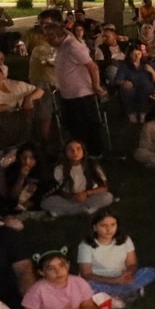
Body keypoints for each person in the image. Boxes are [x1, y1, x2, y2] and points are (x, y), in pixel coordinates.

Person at [22, 247, 115, 309]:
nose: (58, 272)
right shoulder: (36, 290)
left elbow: (89, 306)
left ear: (68, 265)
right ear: (41, 272)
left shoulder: (78, 282)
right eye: (51, 269)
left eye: (61, 266)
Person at [49, 21, 107, 156]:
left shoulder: (73, 46)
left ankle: (94, 153)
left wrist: (96, 86)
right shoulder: (63, 45)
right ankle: (79, 152)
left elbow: (92, 66)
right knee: (74, 126)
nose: (49, 42)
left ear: (57, 36)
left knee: (88, 125)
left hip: (81, 93)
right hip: (68, 94)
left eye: (50, 38)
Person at [76, 208, 155, 305]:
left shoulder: (125, 240)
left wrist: (129, 273)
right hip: (100, 279)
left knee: (150, 271)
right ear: (95, 227)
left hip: (121, 276)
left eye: (113, 225)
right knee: (87, 284)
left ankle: (114, 296)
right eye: (103, 225)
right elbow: (86, 274)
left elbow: (132, 263)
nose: (109, 229)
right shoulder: (85, 245)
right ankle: (128, 292)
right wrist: (115, 281)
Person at [42, 139, 114, 217]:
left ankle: (64, 212)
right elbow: (60, 190)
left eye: (78, 148)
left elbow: (104, 188)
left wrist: (86, 194)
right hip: (70, 199)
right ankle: (86, 210)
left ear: (83, 151)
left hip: (89, 197)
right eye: (70, 149)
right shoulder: (60, 169)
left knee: (107, 197)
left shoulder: (92, 165)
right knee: (46, 202)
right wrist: (73, 197)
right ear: (65, 153)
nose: (75, 152)